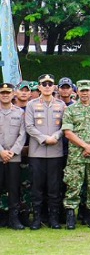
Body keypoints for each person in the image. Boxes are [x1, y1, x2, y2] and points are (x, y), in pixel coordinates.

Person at [61, 79, 90, 229]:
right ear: (77, 92)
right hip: (76, 154)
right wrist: (85, 146)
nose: (84, 93)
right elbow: (68, 132)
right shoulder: (70, 110)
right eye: (82, 90)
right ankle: (71, 216)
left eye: (87, 90)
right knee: (73, 185)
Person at [24, 73, 67, 230]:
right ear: (39, 86)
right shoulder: (31, 105)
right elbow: (29, 126)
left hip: (55, 152)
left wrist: (56, 136)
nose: (47, 87)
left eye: (50, 84)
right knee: (37, 188)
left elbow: (65, 126)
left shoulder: (61, 105)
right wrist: (44, 138)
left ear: (54, 86)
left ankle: (53, 219)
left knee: (54, 188)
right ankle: (37, 219)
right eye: (44, 84)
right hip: (37, 153)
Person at [0, 82, 27, 230]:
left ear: (13, 94)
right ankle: (1, 217)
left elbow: (23, 134)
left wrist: (12, 152)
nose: (5, 95)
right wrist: (1, 152)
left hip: (14, 157)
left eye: (8, 92)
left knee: (14, 188)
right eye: (2, 93)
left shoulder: (19, 113)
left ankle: (14, 218)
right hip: (0, 155)